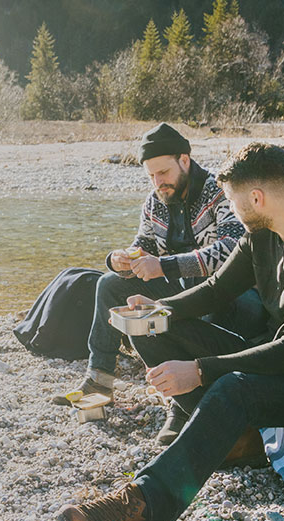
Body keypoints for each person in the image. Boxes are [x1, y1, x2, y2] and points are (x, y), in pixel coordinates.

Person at [56, 143, 284, 521]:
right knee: (150, 327)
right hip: (281, 366)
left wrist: (201, 369)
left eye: (231, 200)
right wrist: (158, 308)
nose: (231, 209)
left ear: (256, 198)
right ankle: (238, 439)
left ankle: (141, 507)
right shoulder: (262, 235)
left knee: (233, 387)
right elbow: (214, 290)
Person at [53, 123, 250, 446]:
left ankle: (182, 403)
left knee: (157, 320)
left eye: (163, 172)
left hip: (224, 295)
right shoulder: (155, 201)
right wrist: (121, 260)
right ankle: (99, 383)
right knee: (110, 285)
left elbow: (231, 250)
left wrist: (164, 266)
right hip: (179, 290)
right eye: (151, 176)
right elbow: (143, 245)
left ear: (184, 160)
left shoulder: (219, 192)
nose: (158, 182)